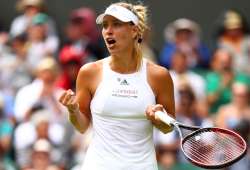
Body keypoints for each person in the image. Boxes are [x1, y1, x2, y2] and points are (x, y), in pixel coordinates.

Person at [59, 2, 175, 170]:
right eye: (105, 26)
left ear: (134, 30)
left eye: (117, 24)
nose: (108, 31)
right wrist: (73, 110)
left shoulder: (159, 75)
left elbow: (168, 128)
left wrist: (158, 118)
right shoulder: (89, 72)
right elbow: (82, 126)